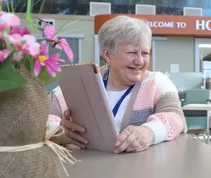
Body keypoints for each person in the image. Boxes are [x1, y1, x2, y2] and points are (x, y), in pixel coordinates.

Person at [50, 15, 187, 153]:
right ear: (107, 55)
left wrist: (149, 132)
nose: (140, 61)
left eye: (145, 53)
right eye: (132, 53)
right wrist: (59, 132)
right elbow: (41, 121)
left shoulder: (157, 82)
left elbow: (176, 118)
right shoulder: (79, 84)